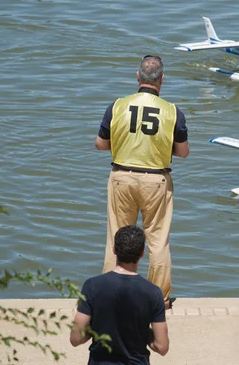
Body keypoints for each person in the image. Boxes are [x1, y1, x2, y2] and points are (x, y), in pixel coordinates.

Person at [95, 55, 189, 308]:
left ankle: (110, 295)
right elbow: (183, 152)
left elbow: (100, 144)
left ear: (137, 76)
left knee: (116, 237)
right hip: (156, 180)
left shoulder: (117, 106)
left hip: (121, 177)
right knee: (158, 240)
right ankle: (158, 299)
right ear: (162, 79)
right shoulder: (172, 111)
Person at [70, 225, 169, 363]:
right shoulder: (153, 292)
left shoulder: (91, 286)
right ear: (142, 253)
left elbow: (76, 338)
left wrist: (97, 327)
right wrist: (142, 331)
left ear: (114, 250)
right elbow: (162, 346)